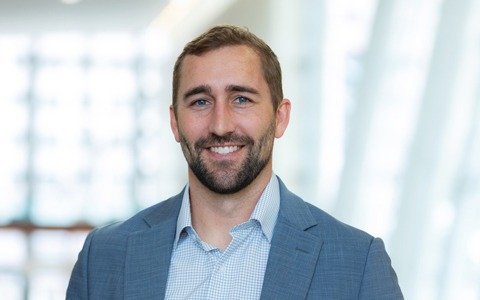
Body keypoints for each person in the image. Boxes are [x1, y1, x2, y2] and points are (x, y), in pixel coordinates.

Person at [67, 25, 403, 300]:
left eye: (241, 99)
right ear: (174, 123)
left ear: (280, 117)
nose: (221, 125)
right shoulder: (104, 257)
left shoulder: (357, 263)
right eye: (200, 101)